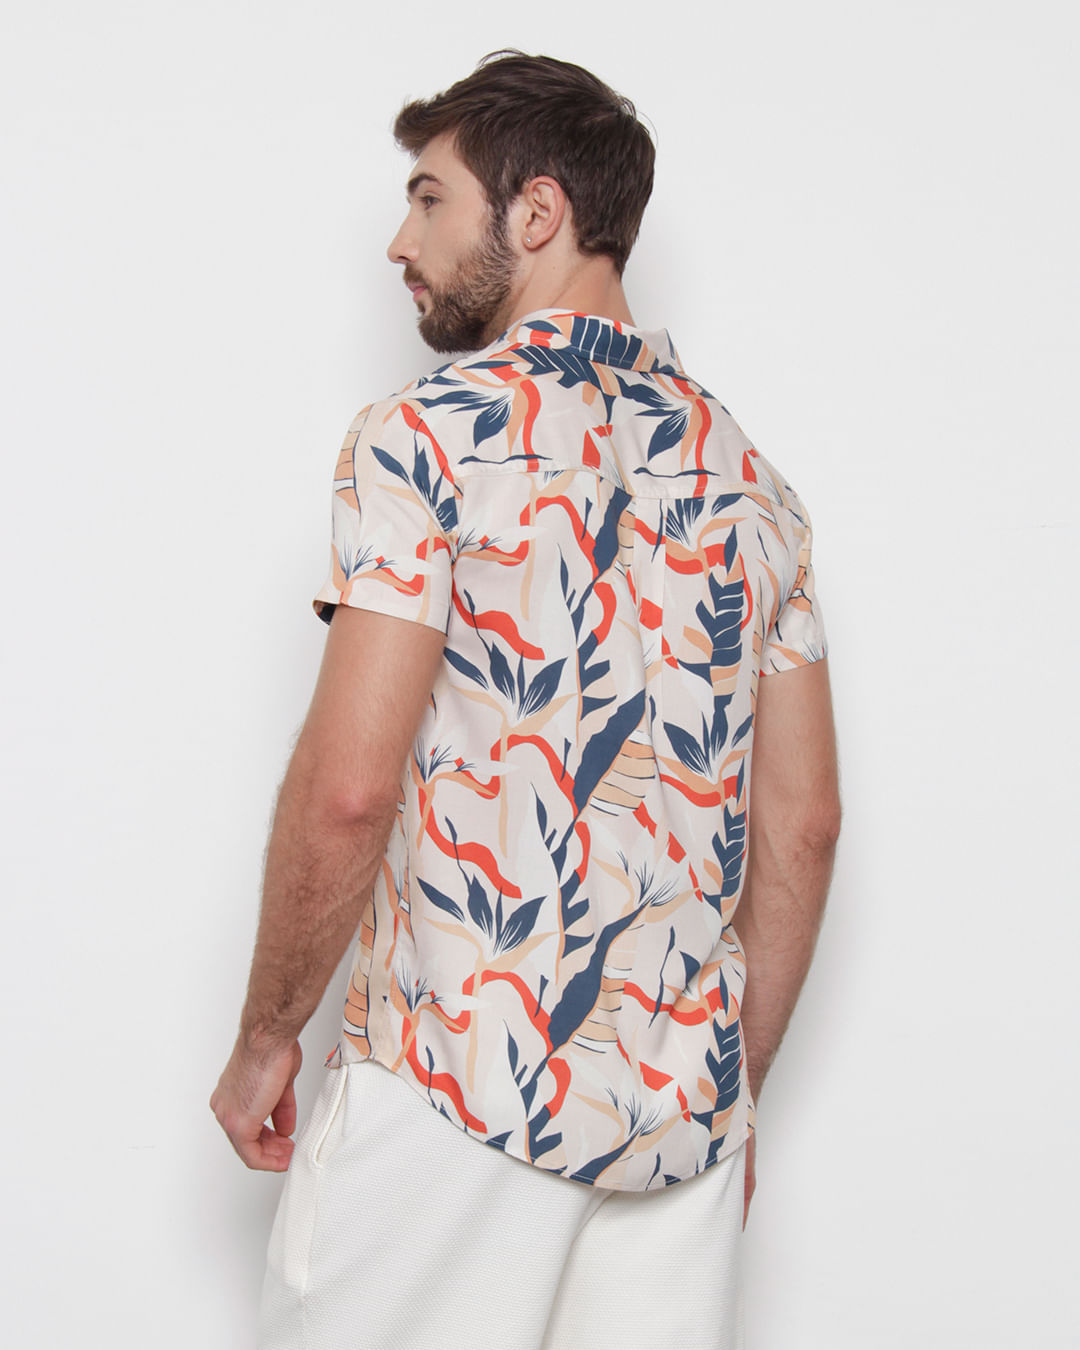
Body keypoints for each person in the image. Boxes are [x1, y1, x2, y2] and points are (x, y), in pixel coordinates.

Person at [211, 49, 841, 1350]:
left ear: (538, 211)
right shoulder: (754, 486)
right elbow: (805, 824)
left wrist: (268, 1034)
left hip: (453, 1088)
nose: (400, 241)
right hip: (679, 1125)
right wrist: (725, 1094)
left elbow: (350, 788)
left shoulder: (426, 437)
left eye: (429, 198)